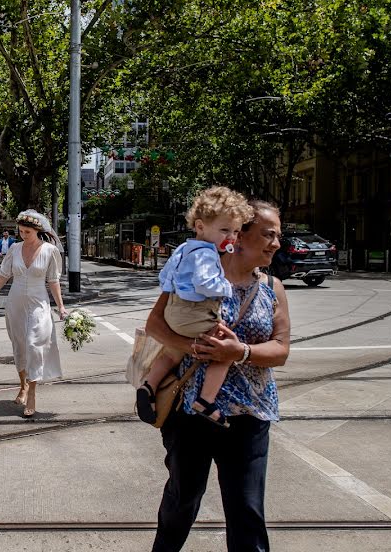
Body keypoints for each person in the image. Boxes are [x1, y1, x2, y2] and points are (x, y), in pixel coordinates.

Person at [147, 200, 290, 552]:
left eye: (278, 236)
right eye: (269, 235)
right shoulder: (197, 274)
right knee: (183, 500)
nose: (276, 244)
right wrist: (193, 347)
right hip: (191, 413)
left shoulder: (273, 285)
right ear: (238, 236)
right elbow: (155, 325)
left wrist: (239, 352)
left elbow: (281, 350)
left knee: (246, 509)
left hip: (249, 415)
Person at [136, 186, 253, 427]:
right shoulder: (207, 254)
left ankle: (149, 385)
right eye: (224, 230)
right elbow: (205, 283)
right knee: (223, 350)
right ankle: (206, 400)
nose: (230, 237)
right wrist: (225, 286)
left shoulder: (183, 248)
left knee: (172, 352)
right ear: (200, 227)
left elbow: (166, 276)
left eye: (235, 231)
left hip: (175, 307)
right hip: (195, 310)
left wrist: (172, 294)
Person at [0, 209, 67, 418]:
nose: (23, 235)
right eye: (20, 231)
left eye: (27, 232)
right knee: (20, 346)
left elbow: (53, 281)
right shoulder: (14, 248)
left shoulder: (49, 251)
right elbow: (4, 275)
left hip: (39, 302)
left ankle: (32, 394)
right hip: (16, 303)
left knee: (34, 344)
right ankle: (23, 386)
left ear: (37, 231)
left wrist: (61, 306)